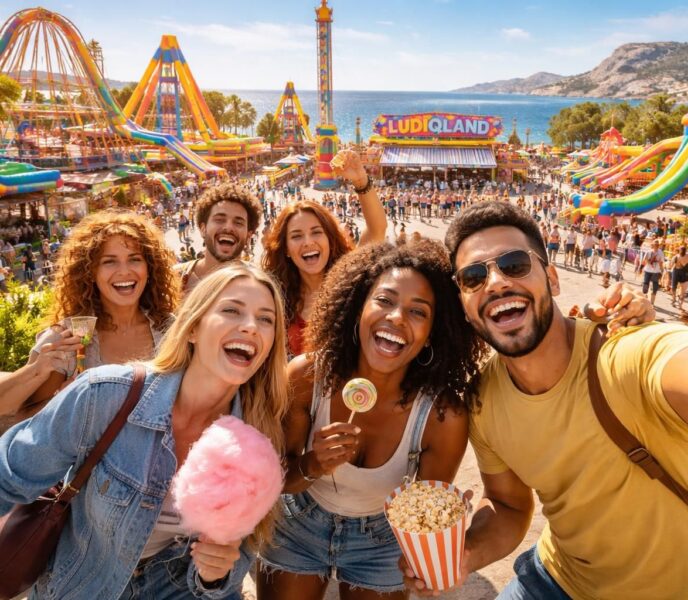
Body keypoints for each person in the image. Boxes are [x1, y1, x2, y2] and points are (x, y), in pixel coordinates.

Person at [401, 201, 688, 599]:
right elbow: (508, 505)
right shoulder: (484, 399)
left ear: (552, 279)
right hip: (555, 579)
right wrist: (465, 555)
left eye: (514, 265)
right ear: (464, 305)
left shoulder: (628, 353)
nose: (495, 283)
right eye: (473, 277)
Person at [0, 264, 289, 599]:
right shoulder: (105, 394)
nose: (251, 326)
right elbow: (8, 475)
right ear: (193, 328)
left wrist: (216, 575)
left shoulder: (259, 437)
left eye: (266, 319)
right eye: (231, 310)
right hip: (85, 586)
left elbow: (238, 558)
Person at [257, 240, 486, 599]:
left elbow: (422, 516)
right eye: (384, 300)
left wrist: (441, 532)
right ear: (358, 308)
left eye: (418, 311)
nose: (396, 317)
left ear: (431, 335)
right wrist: (312, 464)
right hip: (299, 523)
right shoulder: (306, 377)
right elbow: (276, 481)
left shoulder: (442, 417)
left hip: (382, 542)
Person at [0, 210, 179, 427]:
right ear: (90, 272)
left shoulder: (170, 329)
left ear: (149, 268)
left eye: (134, 259)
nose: (124, 271)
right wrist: (58, 396)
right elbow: (21, 417)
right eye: (109, 262)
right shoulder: (69, 338)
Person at [262, 150, 387, 358]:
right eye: (296, 236)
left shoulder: (349, 278)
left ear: (329, 239)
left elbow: (377, 230)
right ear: (286, 249)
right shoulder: (275, 296)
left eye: (316, 232)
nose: (308, 242)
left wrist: (361, 181)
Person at [175, 183, 262, 295]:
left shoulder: (260, 287)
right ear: (203, 229)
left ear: (248, 235)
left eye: (238, 223)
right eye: (219, 220)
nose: (228, 227)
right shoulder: (173, 279)